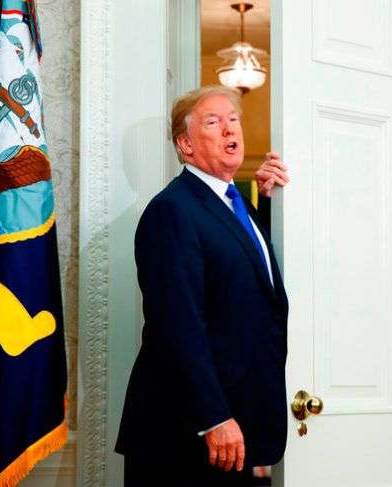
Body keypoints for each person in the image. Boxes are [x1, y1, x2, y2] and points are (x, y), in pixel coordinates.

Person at [115, 85, 289, 487]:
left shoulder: (235, 205)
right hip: (187, 435)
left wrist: (269, 204)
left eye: (234, 119)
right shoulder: (172, 211)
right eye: (213, 122)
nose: (230, 129)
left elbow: (244, 287)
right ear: (185, 145)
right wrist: (213, 416)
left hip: (235, 430)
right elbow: (177, 326)